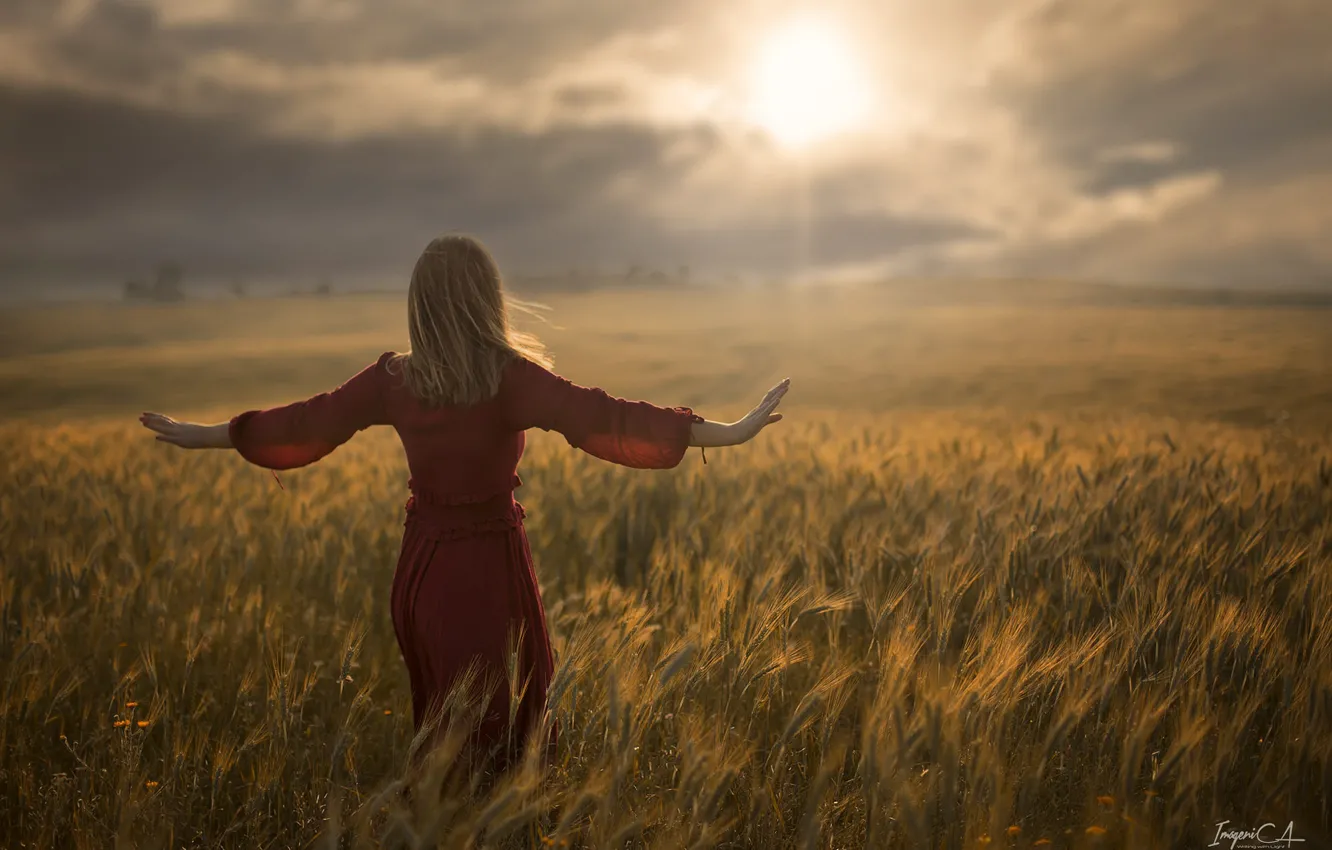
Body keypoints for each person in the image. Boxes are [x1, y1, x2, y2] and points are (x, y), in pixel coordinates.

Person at [139, 233, 790, 783]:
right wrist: (728, 430)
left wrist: (211, 433)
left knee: (449, 736)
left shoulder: (394, 381)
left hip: (422, 576)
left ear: (420, 306)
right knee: (501, 736)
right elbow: (607, 416)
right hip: (486, 574)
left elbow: (307, 422)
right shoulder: (508, 379)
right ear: (487, 300)